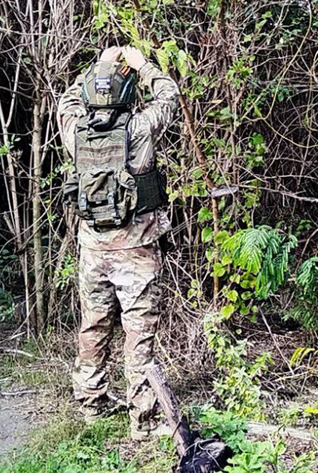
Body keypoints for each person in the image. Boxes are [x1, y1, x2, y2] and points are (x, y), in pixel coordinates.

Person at [57, 45, 179, 440]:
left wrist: (102, 65)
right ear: (128, 94)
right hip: (136, 250)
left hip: (93, 249)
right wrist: (141, 65)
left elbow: (68, 99)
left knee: (93, 325)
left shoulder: (74, 127)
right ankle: (141, 419)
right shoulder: (140, 128)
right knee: (138, 334)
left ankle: (92, 404)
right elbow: (169, 95)